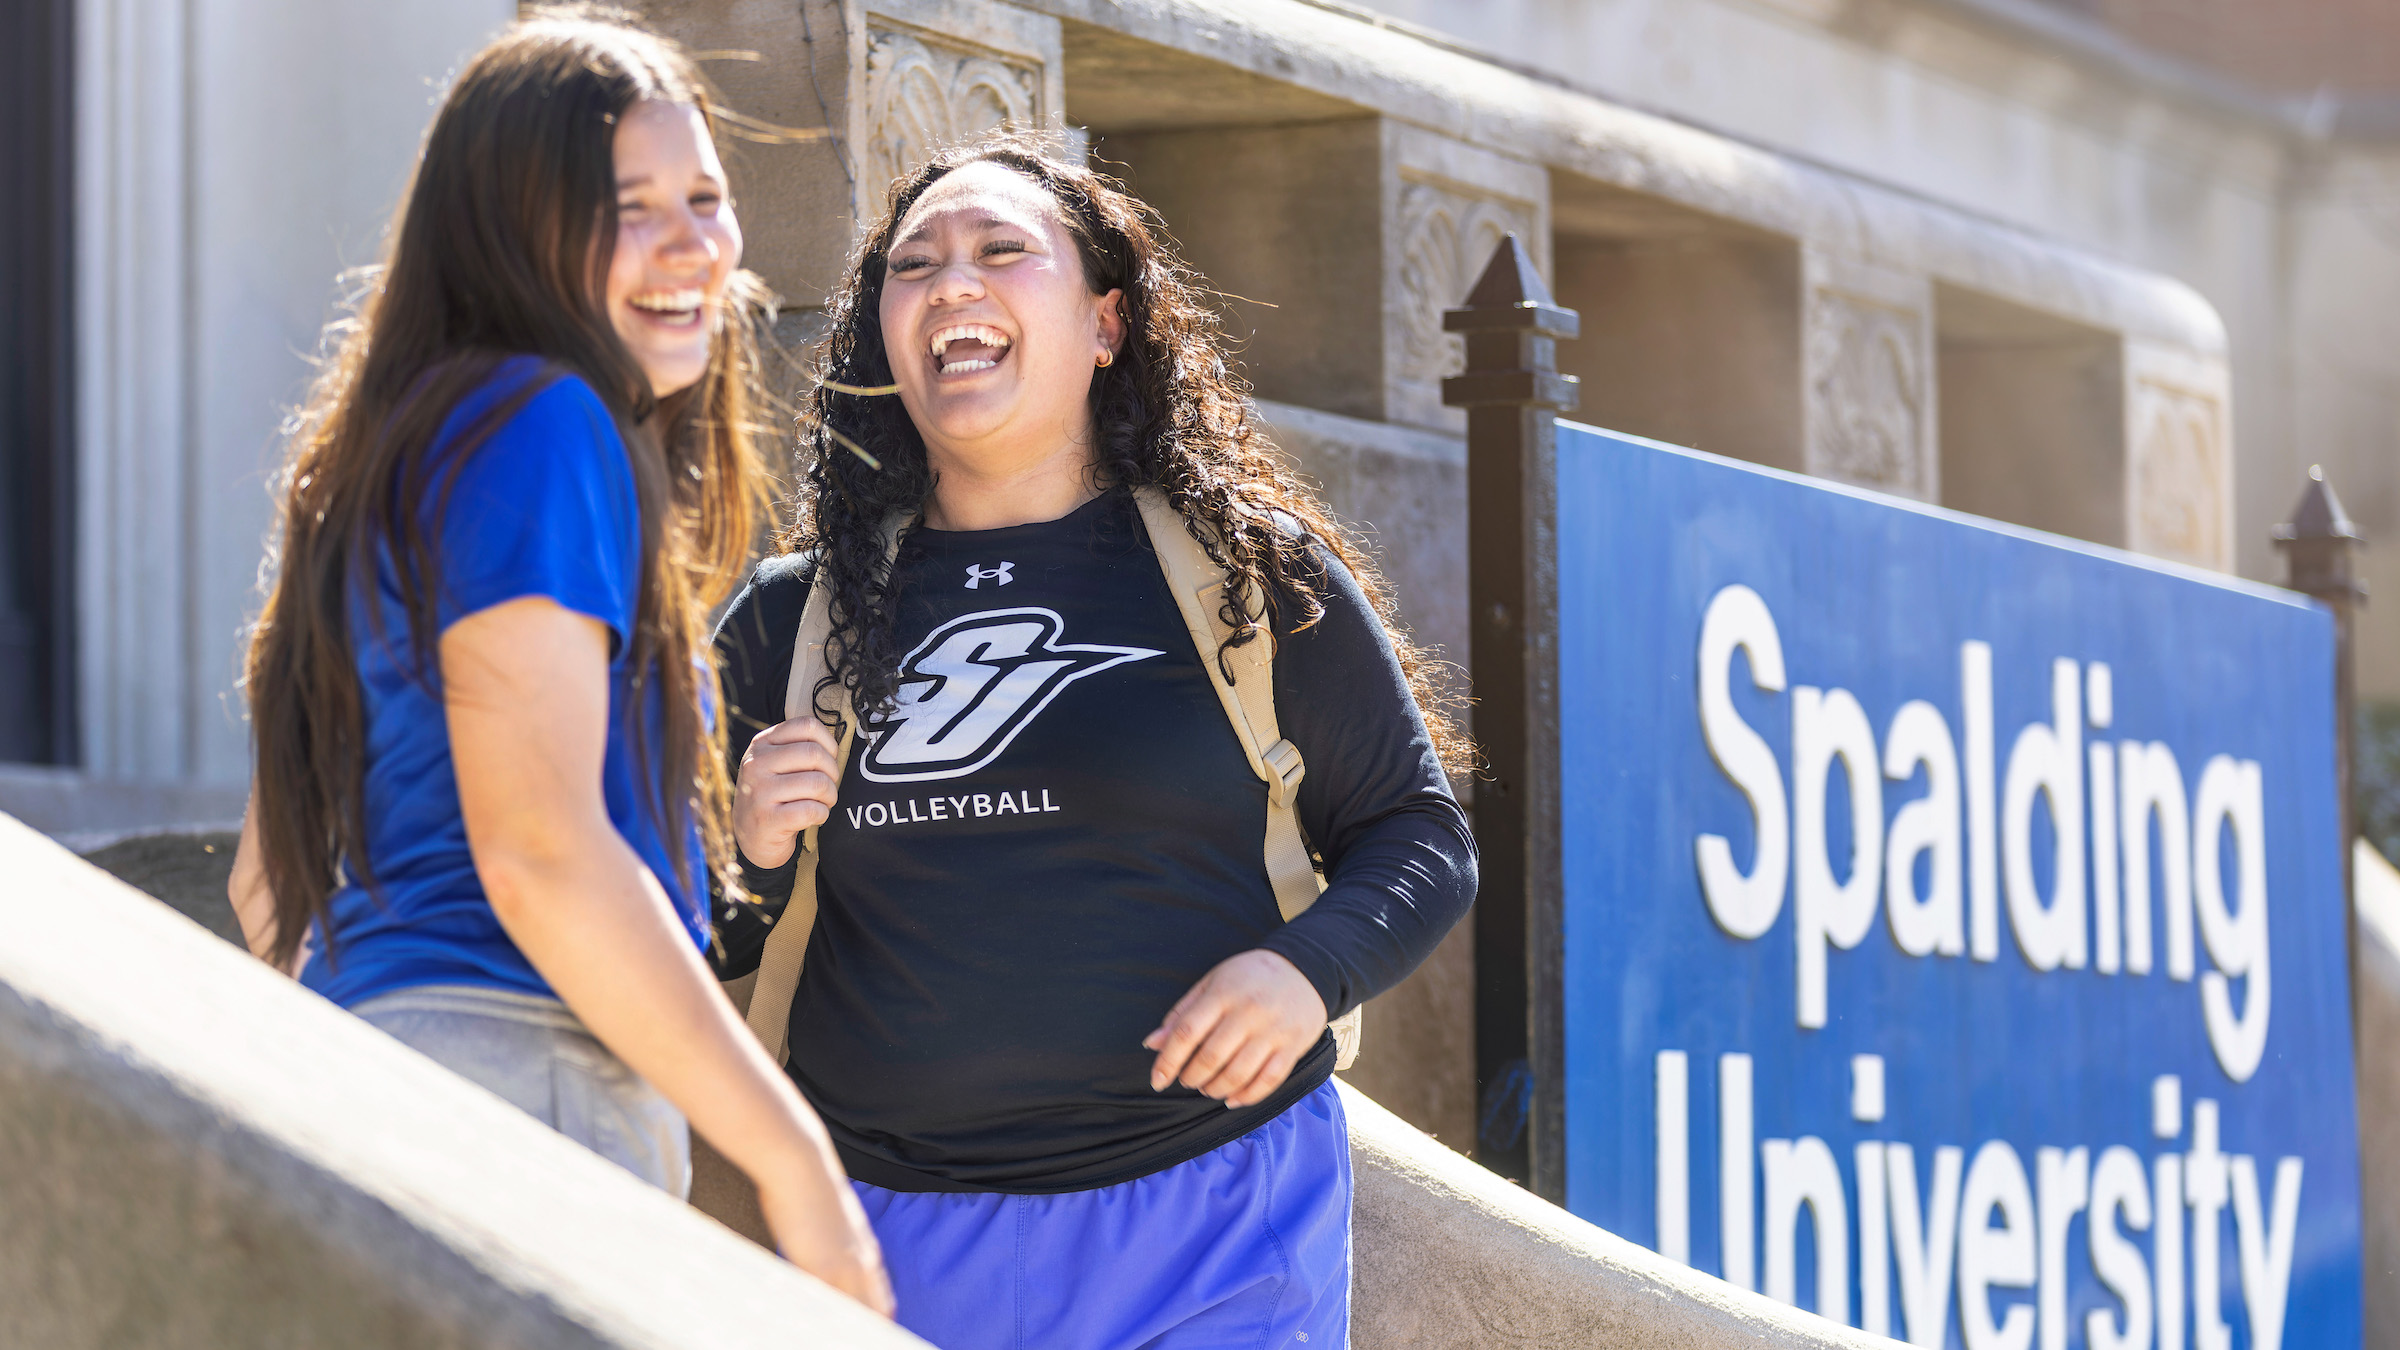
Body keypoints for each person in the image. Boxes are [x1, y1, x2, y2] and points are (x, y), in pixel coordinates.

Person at [711, 133, 1478, 1349]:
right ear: (884, 340)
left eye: (1002, 250)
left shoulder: (1250, 580)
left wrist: (1305, 970)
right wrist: (744, 847)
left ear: (1107, 323)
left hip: (1218, 1223)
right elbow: (671, 937)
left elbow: (1417, 836)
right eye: (913, 267)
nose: (953, 282)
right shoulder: (788, 621)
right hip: (884, 1244)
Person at [227, 9, 890, 1314]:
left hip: (390, 1079)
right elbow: (542, 852)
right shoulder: (545, 423)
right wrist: (796, 1167)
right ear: (509, 228)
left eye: (705, 195)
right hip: (523, 1092)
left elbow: (268, 885)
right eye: (626, 207)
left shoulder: (391, 455)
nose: (692, 241)